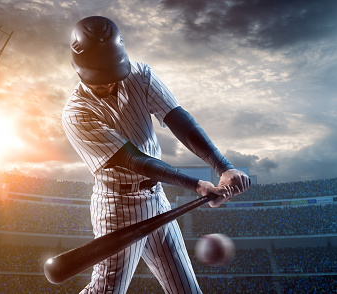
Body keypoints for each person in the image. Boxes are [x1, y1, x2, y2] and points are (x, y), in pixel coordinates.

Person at [62, 16, 250, 294]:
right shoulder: (76, 114)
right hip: (117, 207)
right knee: (105, 291)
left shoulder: (140, 75)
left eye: (115, 75)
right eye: (102, 81)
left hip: (157, 198)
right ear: (80, 70)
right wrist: (196, 184)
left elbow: (179, 120)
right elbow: (134, 161)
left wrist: (223, 167)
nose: (111, 84)